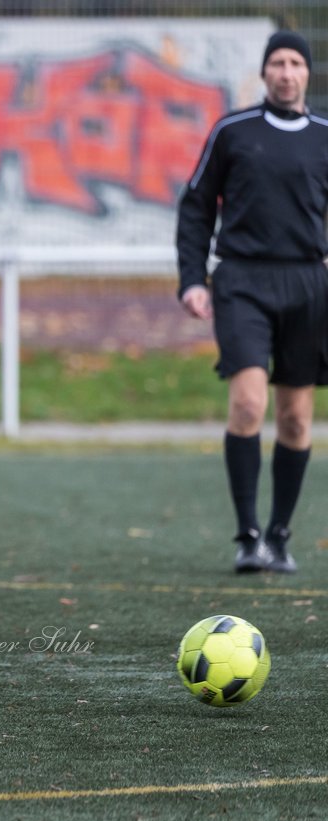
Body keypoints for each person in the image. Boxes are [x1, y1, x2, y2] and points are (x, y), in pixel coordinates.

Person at [176, 30, 328, 574]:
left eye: (295, 63)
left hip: (308, 286)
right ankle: (248, 536)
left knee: (294, 418)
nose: (286, 72)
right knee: (248, 403)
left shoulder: (323, 136)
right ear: (263, 73)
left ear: (307, 73)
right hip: (241, 280)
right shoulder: (232, 131)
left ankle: (281, 536)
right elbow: (195, 207)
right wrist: (193, 278)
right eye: (277, 63)